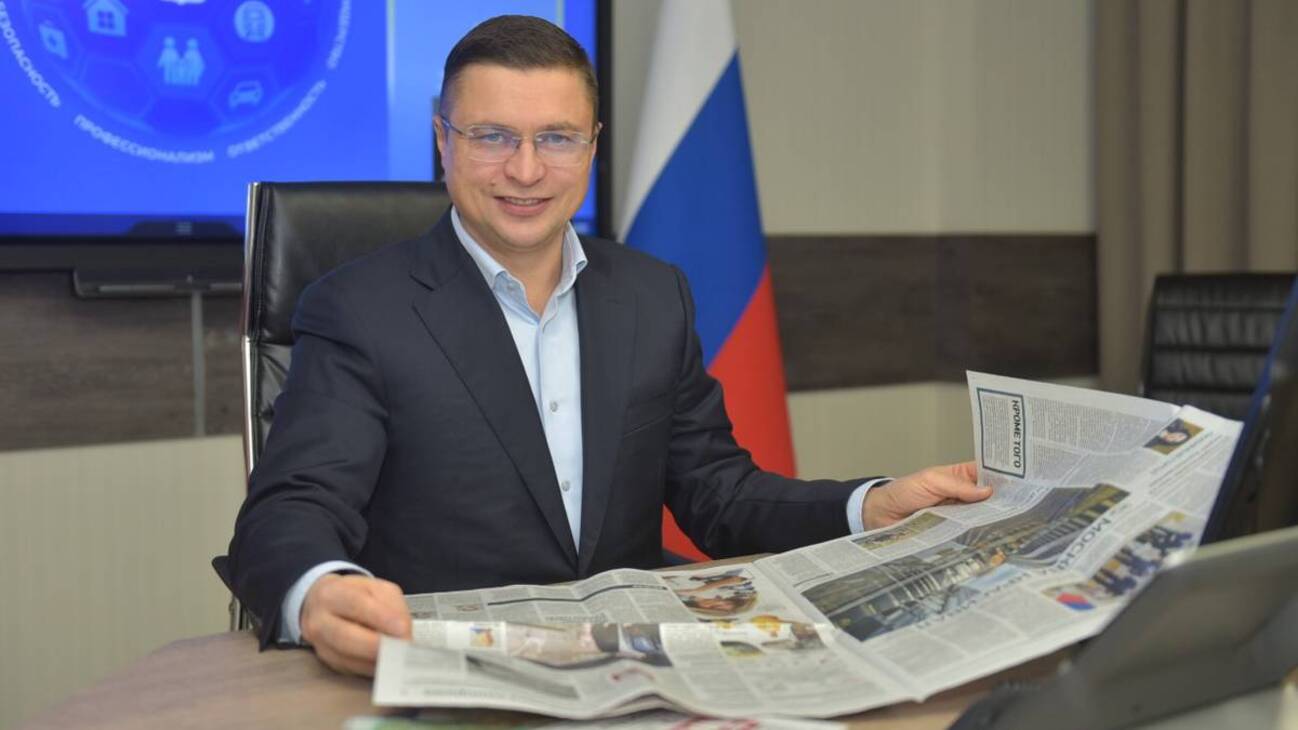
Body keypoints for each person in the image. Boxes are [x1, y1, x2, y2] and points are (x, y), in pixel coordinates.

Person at [226, 14, 990, 677]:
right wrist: (318, 592)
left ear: (591, 147)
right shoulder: (359, 308)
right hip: (453, 667)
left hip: (630, 668)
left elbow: (718, 494)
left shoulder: (653, 295)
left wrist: (870, 505)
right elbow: (294, 505)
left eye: (556, 138)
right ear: (443, 141)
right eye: (492, 136)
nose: (526, 170)